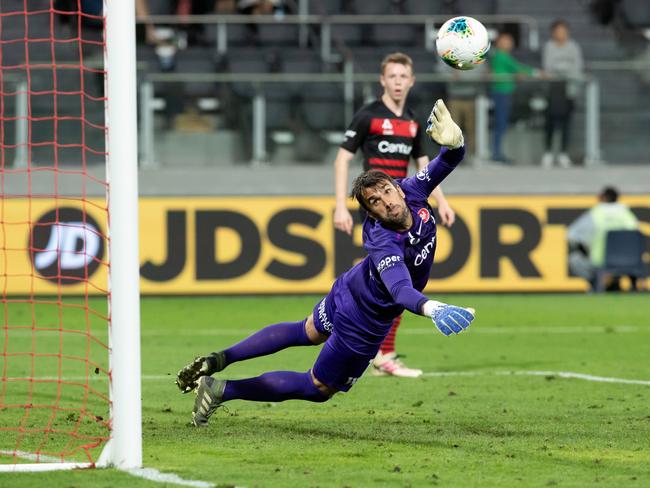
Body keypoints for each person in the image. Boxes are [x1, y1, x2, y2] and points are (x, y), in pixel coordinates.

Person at [176, 100, 476, 427]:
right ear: (370, 214)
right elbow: (401, 290)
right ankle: (221, 390)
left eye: (387, 192)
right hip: (363, 318)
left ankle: (221, 358)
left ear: (398, 189)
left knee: (307, 330)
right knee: (318, 387)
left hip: (349, 287)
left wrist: (456, 142)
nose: (386, 202)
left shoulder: (412, 190)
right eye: (374, 202)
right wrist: (433, 308)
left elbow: (449, 160)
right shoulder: (382, 240)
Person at [333, 52, 457, 378]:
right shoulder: (368, 116)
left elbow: (424, 168)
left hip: (405, 203)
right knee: (395, 281)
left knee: (394, 281)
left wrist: (441, 201)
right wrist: (338, 205)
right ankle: (380, 352)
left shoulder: (414, 121)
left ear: (411, 81)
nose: (398, 82)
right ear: (382, 80)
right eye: (393, 76)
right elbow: (342, 159)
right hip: (379, 212)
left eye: (404, 76)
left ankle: (376, 349)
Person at [568, 186, 640, 291]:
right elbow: (637, 237)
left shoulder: (595, 213)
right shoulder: (627, 214)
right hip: (629, 261)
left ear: (603, 197)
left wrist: (586, 251)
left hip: (601, 261)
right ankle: (618, 282)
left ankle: (596, 283)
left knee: (574, 259)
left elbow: (573, 236)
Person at [489, 32, 541, 164]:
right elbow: (517, 68)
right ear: (499, 42)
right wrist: (536, 73)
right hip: (501, 92)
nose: (509, 43)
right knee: (500, 123)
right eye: (506, 40)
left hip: (506, 92)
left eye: (510, 41)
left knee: (503, 123)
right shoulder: (500, 56)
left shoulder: (503, 56)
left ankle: (497, 152)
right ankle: (496, 153)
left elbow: (515, 70)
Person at [541, 20, 584, 168]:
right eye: (558, 31)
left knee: (566, 123)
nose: (560, 34)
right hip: (553, 89)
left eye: (563, 31)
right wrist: (564, 67)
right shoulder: (549, 46)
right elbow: (548, 66)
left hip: (569, 89)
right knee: (550, 123)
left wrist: (561, 69)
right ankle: (548, 153)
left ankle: (563, 153)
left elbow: (577, 67)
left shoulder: (574, 47)